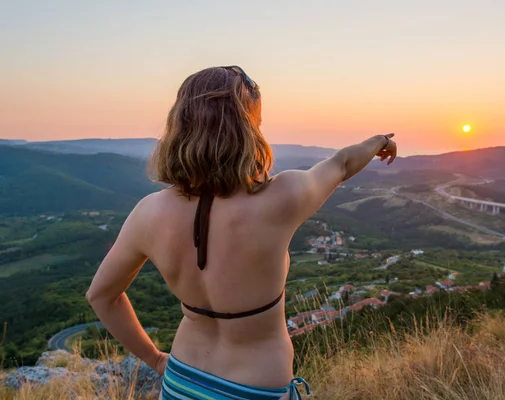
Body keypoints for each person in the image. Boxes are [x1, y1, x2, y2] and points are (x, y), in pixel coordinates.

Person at [85, 65, 397, 400]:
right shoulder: (281, 197)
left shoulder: (147, 213)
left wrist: (155, 358)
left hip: (181, 381)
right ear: (248, 130)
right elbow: (341, 164)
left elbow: (101, 296)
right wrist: (378, 141)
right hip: (256, 388)